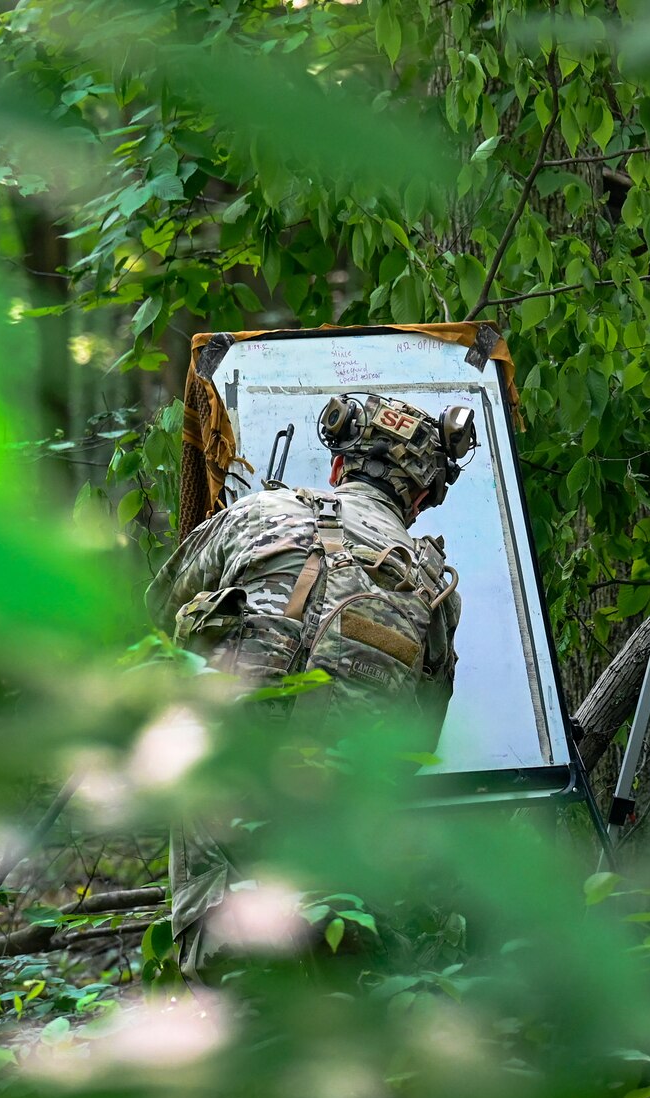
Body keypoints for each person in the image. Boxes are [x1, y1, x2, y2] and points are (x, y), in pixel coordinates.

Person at [150, 391, 475, 968]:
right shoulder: (435, 593)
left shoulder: (258, 515)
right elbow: (416, 744)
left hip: (226, 816)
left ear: (336, 467)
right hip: (341, 848)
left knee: (230, 991)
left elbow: (154, 615)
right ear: (421, 499)